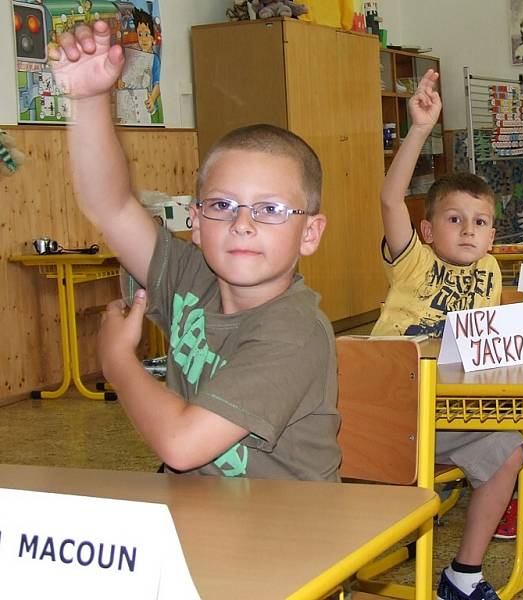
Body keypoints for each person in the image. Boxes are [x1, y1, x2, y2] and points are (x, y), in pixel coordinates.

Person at [50, 21, 340, 481]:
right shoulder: (190, 278)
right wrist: (87, 102)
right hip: (199, 518)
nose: (242, 224)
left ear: (309, 233)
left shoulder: (294, 332)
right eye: (222, 206)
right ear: (197, 223)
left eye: (269, 209)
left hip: (286, 538)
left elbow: (182, 447)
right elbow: (110, 206)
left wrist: (116, 360)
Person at [371, 69, 523, 600]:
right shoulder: (411, 264)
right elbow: (392, 199)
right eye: (455, 220)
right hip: (385, 409)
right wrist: (419, 130)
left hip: (446, 409)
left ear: (492, 235)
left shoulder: (491, 273)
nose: (468, 231)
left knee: (510, 448)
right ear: (427, 230)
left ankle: (463, 576)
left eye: (480, 222)